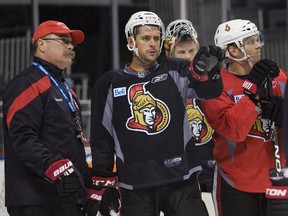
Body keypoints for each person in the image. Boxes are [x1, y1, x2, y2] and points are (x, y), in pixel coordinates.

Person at [90, 11, 225, 216]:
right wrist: (103, 181)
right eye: (145, 38)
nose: (153, 43)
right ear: (130, 41)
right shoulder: (108, 83)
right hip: (135, 185)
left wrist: (211, 73)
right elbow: (102, 138)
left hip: (181, 179)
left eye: (156, 38)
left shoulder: (176, 69)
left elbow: (209, 92)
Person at [2, 20, 99, 216]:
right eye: (63, 40)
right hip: (36, 199)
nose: (71, 46)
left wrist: (88, 185)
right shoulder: (27, 84)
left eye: (72, 42)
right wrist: (55, 168)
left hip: (66, 197)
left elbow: (69, 143)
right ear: (42, 45)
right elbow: (23, 138)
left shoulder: (66, 89)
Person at [201, 19, 288, 216]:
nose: (258, 45)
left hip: (277, 178)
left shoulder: (278, 77)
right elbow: (233, 130)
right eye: (250, 42)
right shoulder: (214, 86)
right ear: (232, 50)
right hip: (235, 182)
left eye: (257, 39)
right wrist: (254, 95)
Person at [164, 19, 215, 193]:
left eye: (191, 50)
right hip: (176, 175)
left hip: (212, 172)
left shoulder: (214, 82)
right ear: (169, 53)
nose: (187, 56)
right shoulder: (159, 86)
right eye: (181, 51)